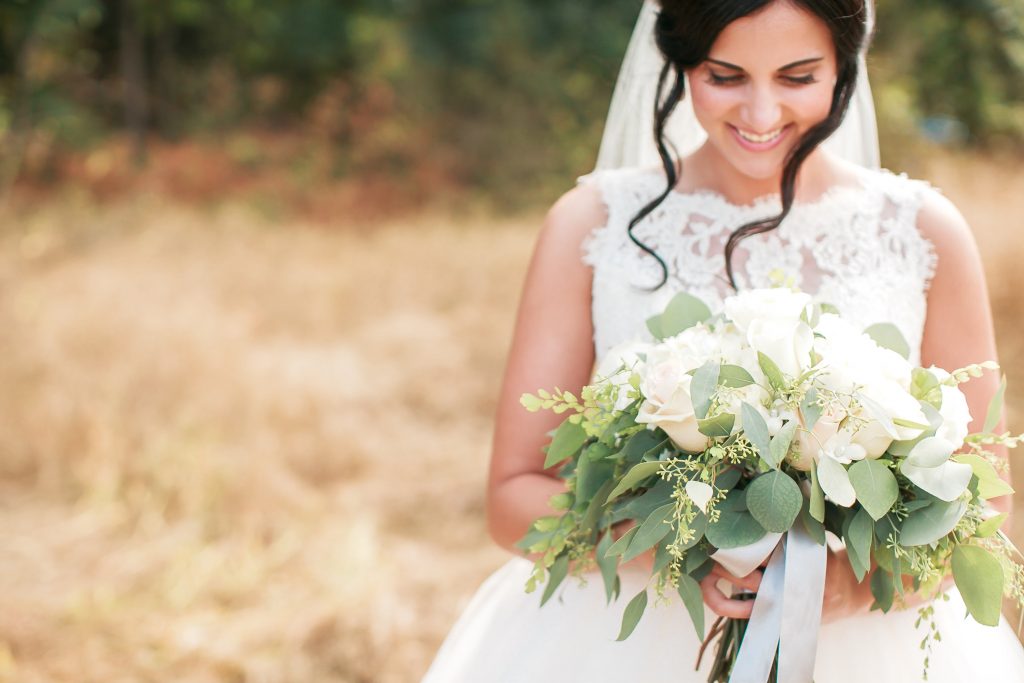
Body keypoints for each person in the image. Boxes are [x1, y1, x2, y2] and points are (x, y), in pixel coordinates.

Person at [422, 1, 1024, 681]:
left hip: (869, 645)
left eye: (797, 77)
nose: (761, 114)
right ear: (681, 62)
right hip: (622, 642)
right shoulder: (590, 225)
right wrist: (672, 545)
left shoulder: (923, 231)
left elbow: (983, 502)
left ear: (844, 66)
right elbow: (512, 496)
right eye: (726, 76)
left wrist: (845, 585)